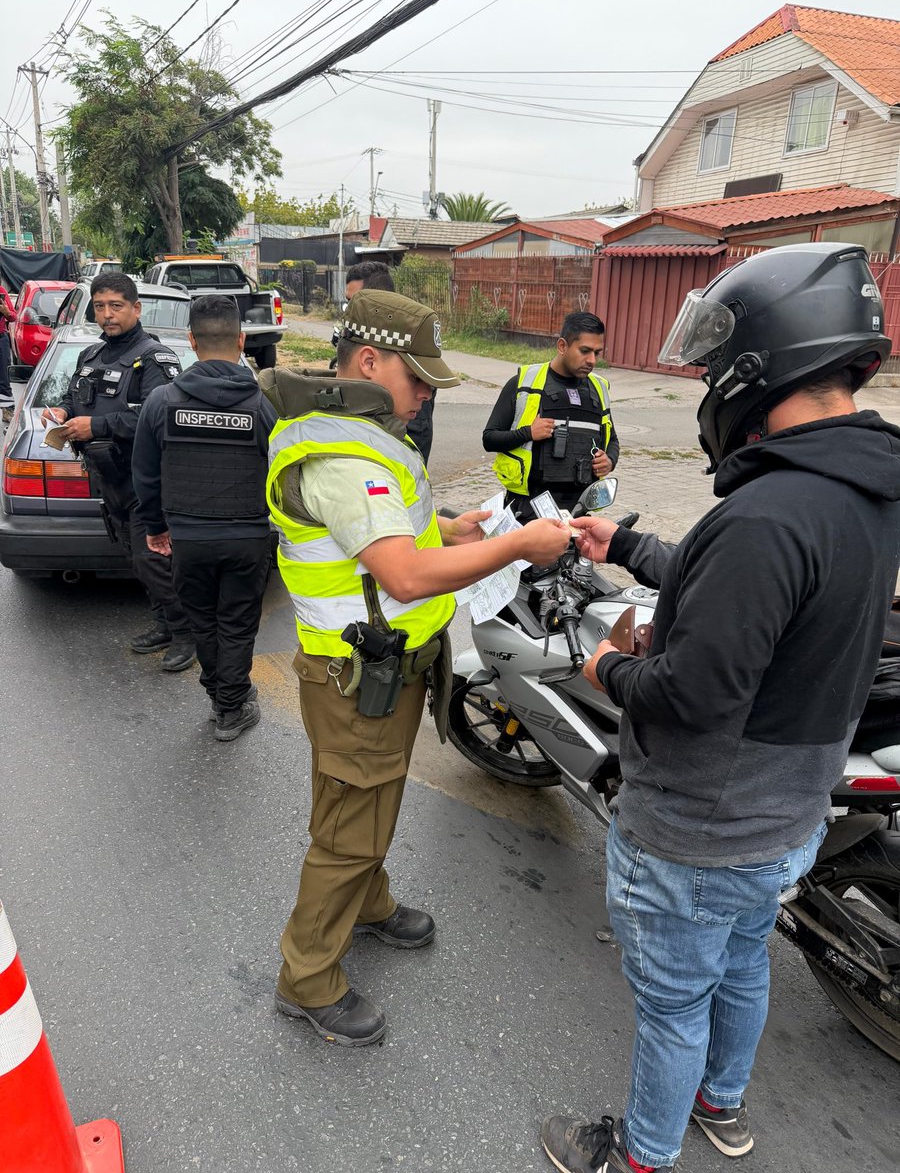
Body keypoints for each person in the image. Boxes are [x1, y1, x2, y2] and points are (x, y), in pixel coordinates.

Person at [541, 243, 900, 1173]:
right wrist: (628, 541)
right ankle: (723, 1103)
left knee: (671, 1006)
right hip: (790, 815)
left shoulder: (768, 514)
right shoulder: (862, 488)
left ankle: (640, 1154)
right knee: (743, 964)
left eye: (709, 371)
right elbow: (755, 595)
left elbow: (693, 694)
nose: (706, 389)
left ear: (756, 369)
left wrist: (606, 671)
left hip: (702, 825)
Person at [262, 289, 571, 1046]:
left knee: (368, 801)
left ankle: (367, 905)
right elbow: (400, 575)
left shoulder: (362, 435)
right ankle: (308, 979)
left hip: (384, 672)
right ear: (368, 360)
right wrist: (514, 547)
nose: (428, 393)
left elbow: (383, 535)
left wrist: (452, 527)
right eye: (420, 378)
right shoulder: (342, 454)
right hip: (354, 678)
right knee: (348, 826)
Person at [132, 295, 278, 741]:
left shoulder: (162, 401)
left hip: (188, 538)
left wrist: (156, 528)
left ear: (191, 341)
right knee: (236, 624)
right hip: (248, 537)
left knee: (203, 623)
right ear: (241, 340)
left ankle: (222, 696)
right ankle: (231, 706)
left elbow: (146, 475)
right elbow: (285, 474)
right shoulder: (266, 404)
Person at [39, 273, 195, 671]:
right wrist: (62, 412)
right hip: (108, 479)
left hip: (146, 482)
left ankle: (186, 633)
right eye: (100, 306)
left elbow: (162, 417)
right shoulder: (90, 357)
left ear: (135, 308)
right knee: (132, 556)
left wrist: (99, 426)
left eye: (116, 306)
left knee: (151, 559)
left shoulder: (155, 359)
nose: (107, 315)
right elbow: (74, 400)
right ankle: (164, 623)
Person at [483, 311, 617, 520]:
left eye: (597, 353)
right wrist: (528, 433)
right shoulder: (524, 384)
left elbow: (612, 440)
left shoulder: (599, 389)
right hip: (528, 511)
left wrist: (609, 460)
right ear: (562, 346)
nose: (591, 360)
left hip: (578, 511)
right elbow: (489, 438)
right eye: (584, 351)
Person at [330, 261, 437, 465]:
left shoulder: (405, 338)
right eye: (347, 302)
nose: (348, 311)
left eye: (354, 302)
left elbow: (408, 453)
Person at [0, 284, 17, 424]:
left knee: (4, 377)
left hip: (1, 339)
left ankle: (7, 411)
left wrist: (7, 312)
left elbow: (13, 317)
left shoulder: (1, 291)